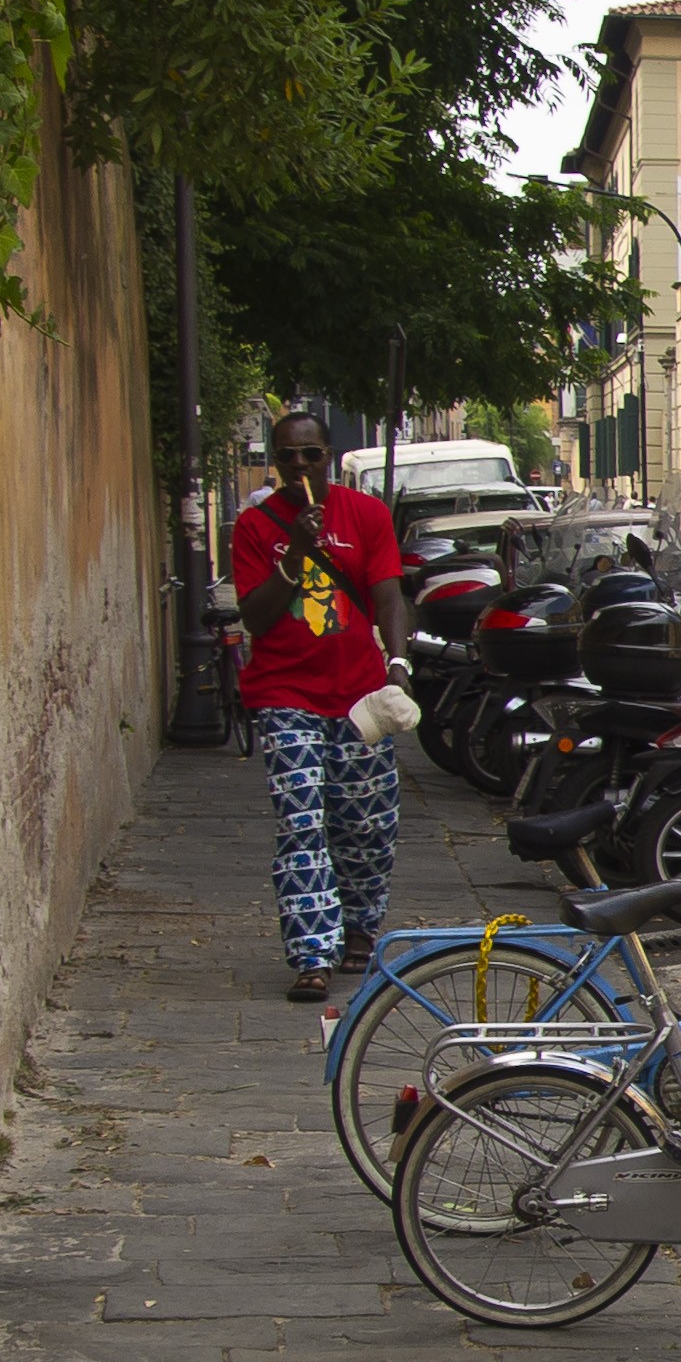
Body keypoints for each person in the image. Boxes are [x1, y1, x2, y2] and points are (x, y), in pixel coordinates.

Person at [225, 411, 409, 998]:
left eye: (310, 454)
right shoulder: (255, 526)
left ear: (328, 455)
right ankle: (312, 953)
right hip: (286, 694)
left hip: (358, 695)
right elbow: (256, 617)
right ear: (275, 461)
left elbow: (387, 595)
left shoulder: (366, 515)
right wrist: (295, 554)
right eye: (287, 456)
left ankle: (359, 928)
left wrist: (399, 664)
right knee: (301, 821)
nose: (299, 465)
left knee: (365, 823)